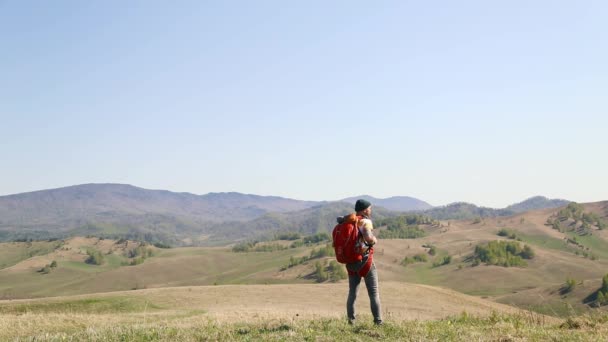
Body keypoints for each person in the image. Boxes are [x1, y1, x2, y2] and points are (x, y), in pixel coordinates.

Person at [346, 199, 383, 325]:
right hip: (365, 261)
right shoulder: (365, 221)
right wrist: (374, 240)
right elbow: (368, 237)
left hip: (350, 262)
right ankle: (378, 322)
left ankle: (351, 321)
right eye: (370, 208)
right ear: (365, 209)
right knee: (374, 293)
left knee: (352, 293)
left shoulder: (350, 221)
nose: (370, 210)